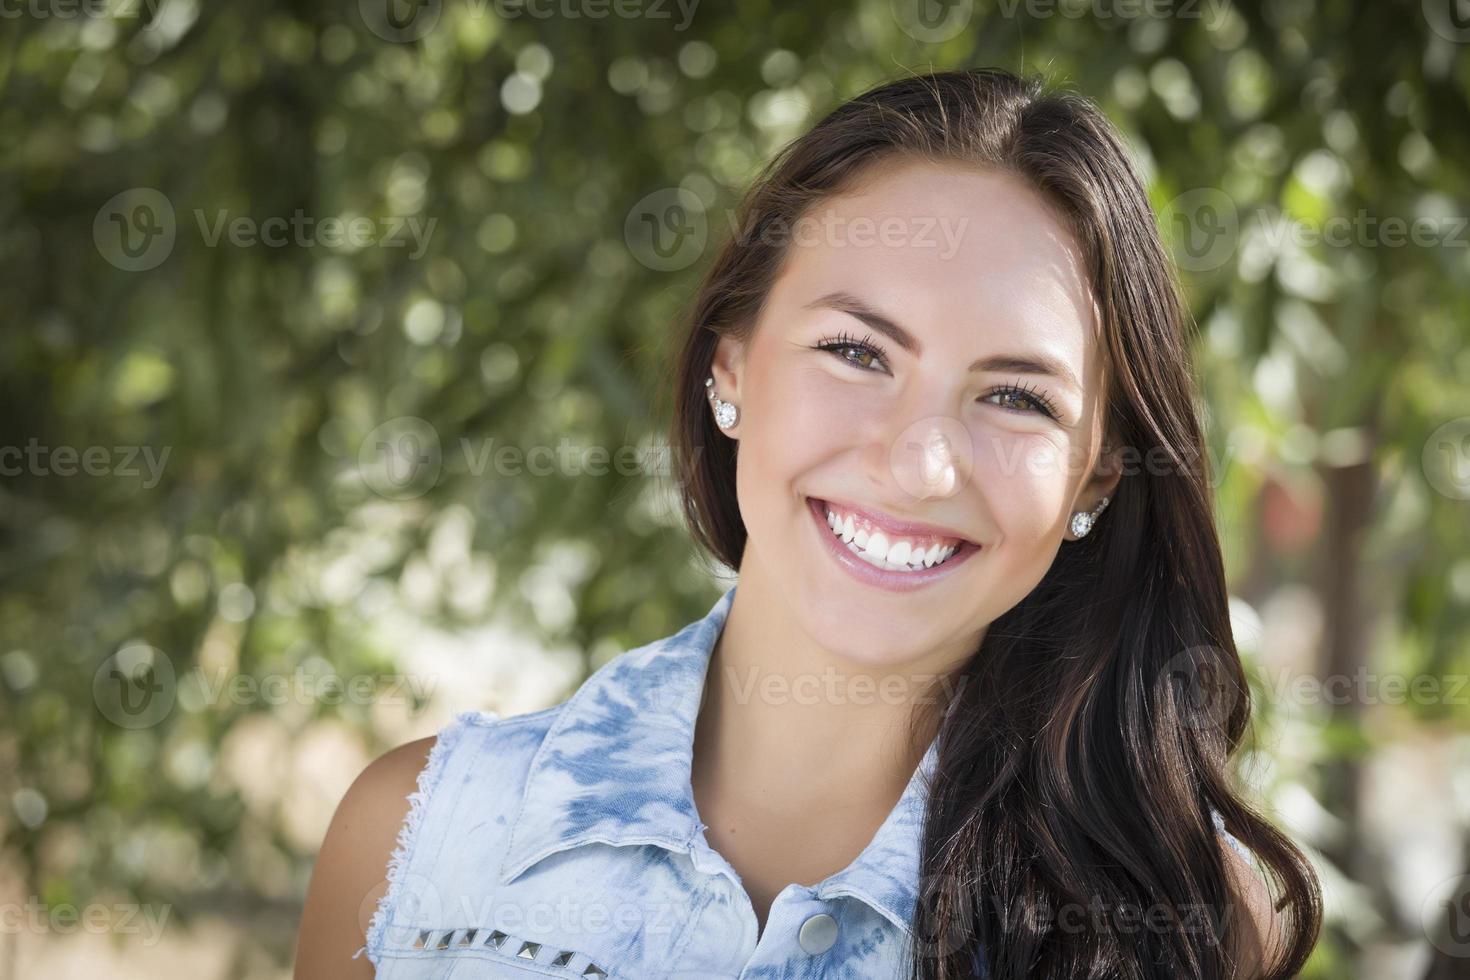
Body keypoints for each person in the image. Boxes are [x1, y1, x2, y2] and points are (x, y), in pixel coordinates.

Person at [294, 66, 1322, 979]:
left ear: (1096, 477)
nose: (919, 464)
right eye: (858, 351)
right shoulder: (417, 838)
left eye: (1016, 397)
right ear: (728, 364)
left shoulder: (1185, 925)